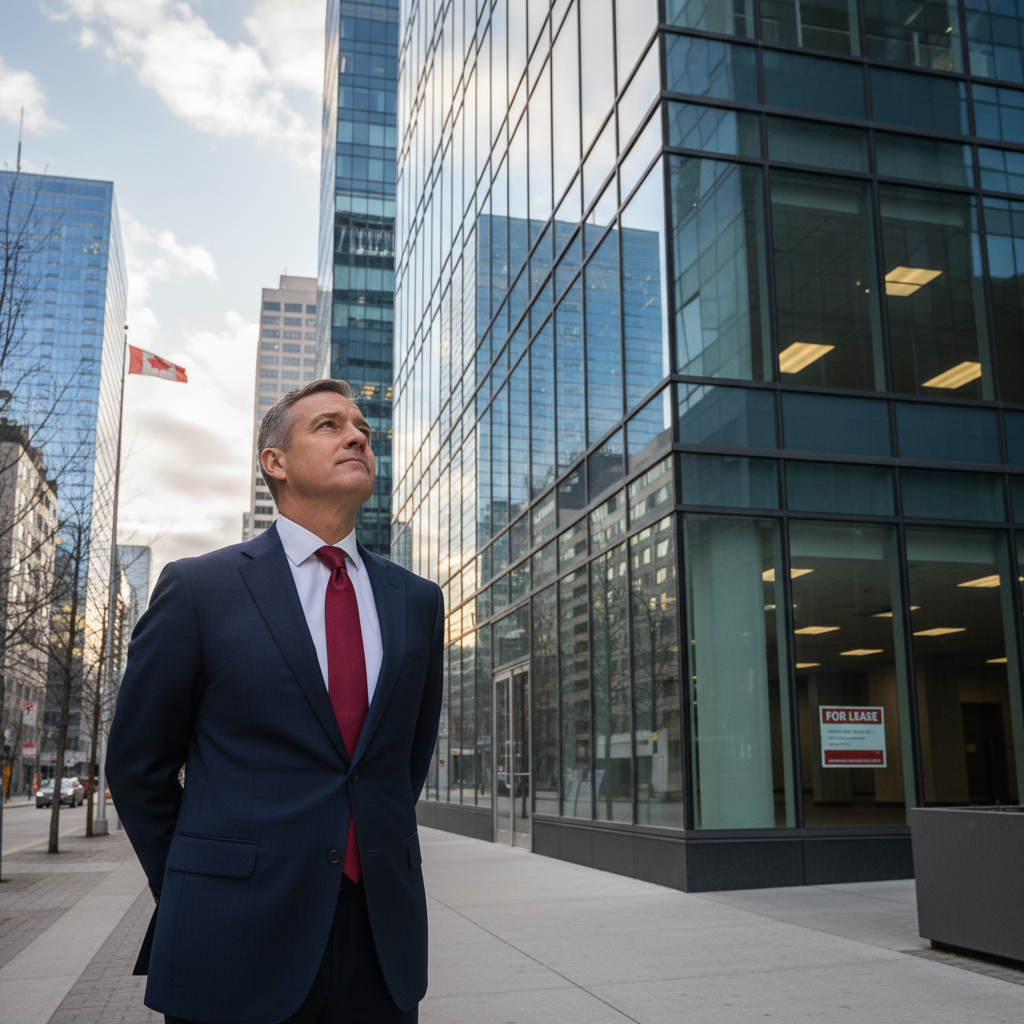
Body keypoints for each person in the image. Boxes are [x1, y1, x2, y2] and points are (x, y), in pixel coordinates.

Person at [105, 379, 443, 1024]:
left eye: (363, 429)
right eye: (329, 426)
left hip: (380, 939)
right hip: (232, 933)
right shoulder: (200, 589)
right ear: (275, 463)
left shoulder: (417, 602)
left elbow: (401, 765)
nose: (357, 436)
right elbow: (136, 767)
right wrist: (194, 885)